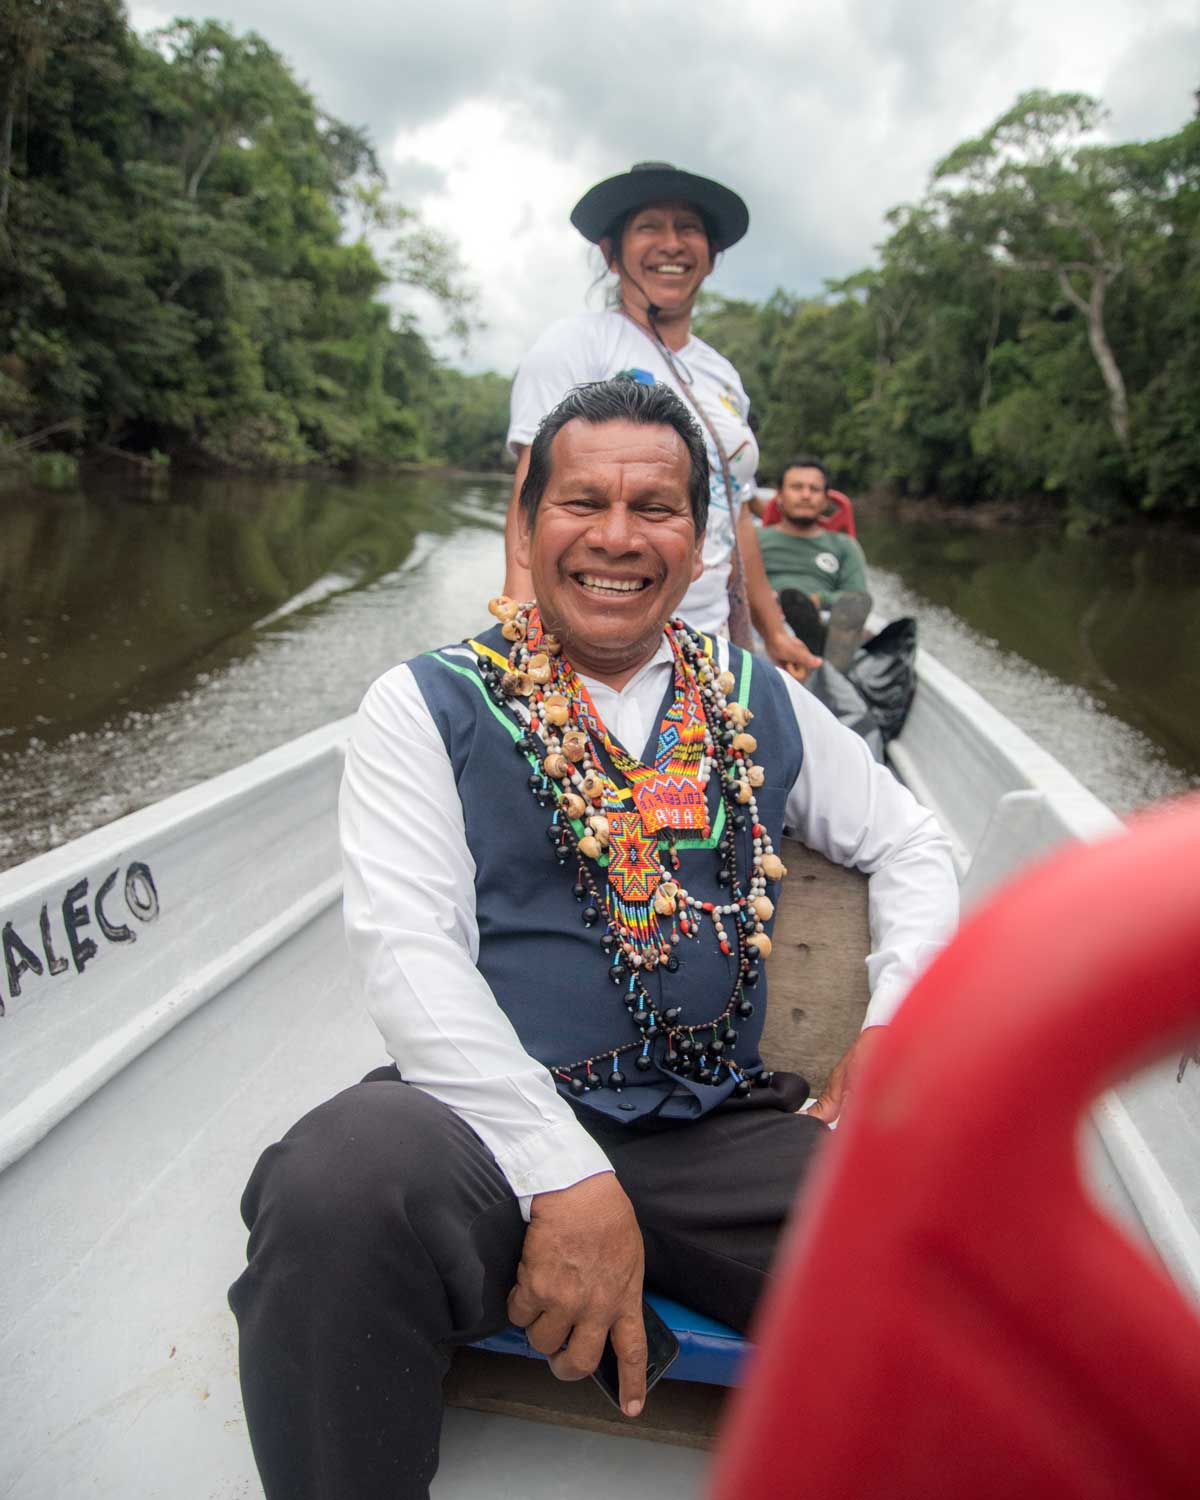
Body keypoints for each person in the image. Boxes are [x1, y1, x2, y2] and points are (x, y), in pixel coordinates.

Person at [230, 379, 959, 1500]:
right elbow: (407, 953)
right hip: (483, 1115)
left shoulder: (749, 697)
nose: (616, 538)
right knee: (337, 1186)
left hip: (712, 1123)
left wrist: (895, 1028)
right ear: (525, 526)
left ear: (702, 542)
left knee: (961, 1270)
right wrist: (564, 1175)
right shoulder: (425, 705)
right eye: (582, 501)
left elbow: (913, 844)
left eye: (655, 507)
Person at [503, 161, 820, 680]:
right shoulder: (576, 346)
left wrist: (774, 631)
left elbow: (736, 515)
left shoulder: (723, 376)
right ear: (611, 254)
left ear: (711, 259)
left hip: (707, 640)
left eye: (689, 228)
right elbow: (532, 499)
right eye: (650, 226)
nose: (672, 244)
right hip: (597, 644)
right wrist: (519, 630)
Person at [757, 456, 872, 672]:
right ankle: (827, 667)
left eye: (814, 489)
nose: (806, 495)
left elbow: (856, 596)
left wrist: (819, 600)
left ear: (826, 500)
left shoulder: (844, 545)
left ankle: (823, 653)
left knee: (849, 612)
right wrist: (766, 601)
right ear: (780, 496)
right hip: (768, 618)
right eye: (797, 487)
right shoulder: (755, 539)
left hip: (825, 617)